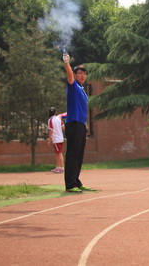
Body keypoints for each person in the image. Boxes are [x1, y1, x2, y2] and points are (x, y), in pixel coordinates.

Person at [62, 52, 96, 193]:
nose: (82, 76)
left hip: (81, 124)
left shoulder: (82, 89)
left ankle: (76, 181)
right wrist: (66, 63)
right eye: (80, 73)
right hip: (73, 123)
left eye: (84, 74)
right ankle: (70, 184)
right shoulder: (73, 86)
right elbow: (69, 75)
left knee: (79, 154)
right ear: (75, 75)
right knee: (73, 154)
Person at [47, 107, 66, 173]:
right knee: (57, 152)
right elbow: (63, 127)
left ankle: (61, 167)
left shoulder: (50, 120)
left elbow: (50, 130)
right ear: (55, 112)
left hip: (56, 138)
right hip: (60, 137)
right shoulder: (58, 119)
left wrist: (49, 140)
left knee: (59, 153)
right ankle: (58, 166)